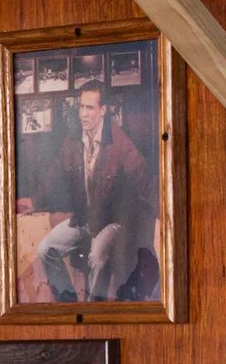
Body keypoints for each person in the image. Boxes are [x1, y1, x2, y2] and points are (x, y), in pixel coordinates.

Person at [36, 78, 158, 304]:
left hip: (111, 222)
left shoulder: (119, 141)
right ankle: (69, 305)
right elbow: (55, 173)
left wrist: (158, 212)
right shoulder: (74, 140)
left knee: (97, 258)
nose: (84, 114)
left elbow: (142, 176)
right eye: (81, 107)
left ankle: (94, 310)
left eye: (90, 108)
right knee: (46, 249)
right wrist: (34, 202)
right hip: (84, 219)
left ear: (103, 110)